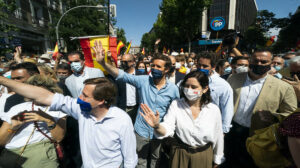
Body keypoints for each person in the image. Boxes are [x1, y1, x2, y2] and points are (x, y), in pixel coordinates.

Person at [0, 75, 138, 168]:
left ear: (101, 101)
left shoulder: (121, 120)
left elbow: (130, 158)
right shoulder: (81, 110)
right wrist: (3, 80)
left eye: (85, 96)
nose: (79, 98)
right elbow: (43, 95)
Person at [93, 40, 179, 168]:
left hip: (159, 133)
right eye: (153, 65)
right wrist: (103, 63)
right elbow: (122, 76)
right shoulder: (144, 81)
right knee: (140, 161)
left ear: (166, 70)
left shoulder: (173, 89)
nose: (154, 68)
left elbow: (177, 111)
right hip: (140, 132)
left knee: (156, 160)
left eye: (158, 67)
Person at [225, 49, 298, 168]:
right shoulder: (234, 79)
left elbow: (292, 115)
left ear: (271, 63)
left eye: (263, 62)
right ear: (250, 61)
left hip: (260, 137)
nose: (259, 64)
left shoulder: (283, 87)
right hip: (233, 133)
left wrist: (274, 117)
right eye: (255, 61)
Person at [140, 71, 224, 168]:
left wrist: (217, 159)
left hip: (203, 155)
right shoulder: (176, 104)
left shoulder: (213, 110)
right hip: (180, 154)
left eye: (194, 87)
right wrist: (157, 126)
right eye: (186, 86)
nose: (189, 90)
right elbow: (168, 126)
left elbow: (218, 136)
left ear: (205, 89)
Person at [0, 75, 67, 168]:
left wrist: (48, 119)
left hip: (39, 155)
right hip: (11, 154)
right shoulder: (17, 108)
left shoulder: (57, 109)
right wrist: (13, 127)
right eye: (32, 88)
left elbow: (59, 138)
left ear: (50, 90)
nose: (35, 93)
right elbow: (1, 141)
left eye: (39, 89)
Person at [196, 52, 234, 134]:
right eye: (199, 65)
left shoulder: (223, 86)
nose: (200, 68)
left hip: (211, 128)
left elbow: (227, 109)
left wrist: (223, 132)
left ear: (213, 67)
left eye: (205, 66)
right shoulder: (190, 78)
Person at [116, 54, 143, 123]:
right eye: (122, 61)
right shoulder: (119, 76)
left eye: (125, 62)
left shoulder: (141, 75)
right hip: (123, 109)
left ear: (133, 62)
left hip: (137, 109)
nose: (123, 64)